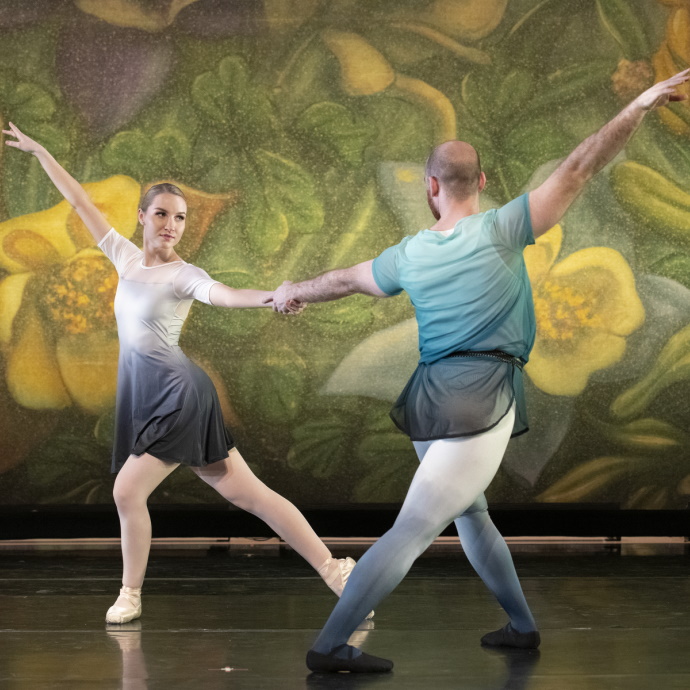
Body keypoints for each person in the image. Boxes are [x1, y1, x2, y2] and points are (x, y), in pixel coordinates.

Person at [267, 69, 690, 672]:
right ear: (484, 183)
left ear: (431, 186)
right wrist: (638, 106)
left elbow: (344, 281)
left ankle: (522, 627)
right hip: (479, 400)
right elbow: (578, 167)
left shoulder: (409, 253)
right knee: (413, 530)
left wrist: (292, 290)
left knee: (471, 513)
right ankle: (330, 646)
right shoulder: (502, 228)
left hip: (430, 400)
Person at [2, 123, 370, 625]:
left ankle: (130, 594)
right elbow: (80, 201)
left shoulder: (185, 275)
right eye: (161, 214)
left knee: (126, 491)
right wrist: (42, 150)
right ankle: (337, 571)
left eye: (179, 217)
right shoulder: (123, 257)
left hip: (180, 395)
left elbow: (226, 294)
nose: (171, 225)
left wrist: (277, 296)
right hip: (153, 395)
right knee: (249, 494)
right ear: (142, 217)